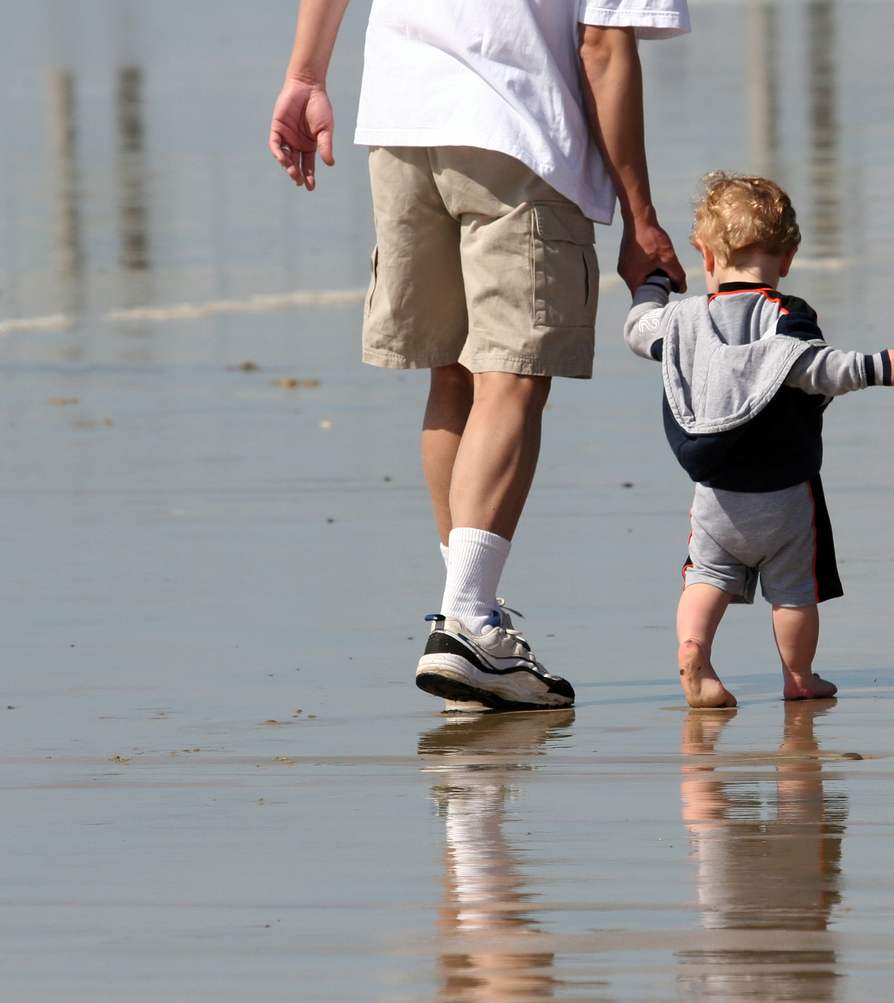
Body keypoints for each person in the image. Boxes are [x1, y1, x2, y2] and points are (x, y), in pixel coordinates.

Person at [270, 1, 689, 711]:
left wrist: (305, 74)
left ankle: (470, 625)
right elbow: (603, 48)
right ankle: (466, 620)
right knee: (513, 377)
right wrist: (640, 218)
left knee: (452, 375)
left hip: (403, 121)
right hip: (514, 129)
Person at [624, 173, 894, 708]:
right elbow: (816, 369)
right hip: (784, 494)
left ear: (705, 257)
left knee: (706, 577)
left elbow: (639, 328)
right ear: (787, 258)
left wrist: (654, 285)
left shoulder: (684, 322)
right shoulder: (787, 318)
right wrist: (876, 367)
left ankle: (696, 651)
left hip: (715, 494)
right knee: (795, 594)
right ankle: (799, 677)